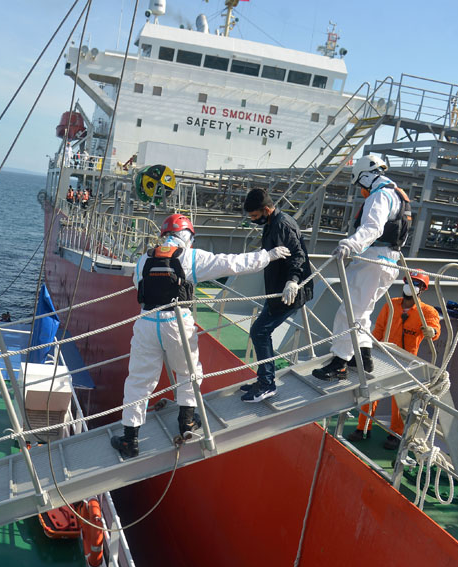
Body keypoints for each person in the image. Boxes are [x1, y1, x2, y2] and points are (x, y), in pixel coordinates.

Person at [111, 214, 291, 458]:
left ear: (165, 234)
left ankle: (130, 439)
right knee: (188, 371)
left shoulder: (145, 258)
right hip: (178, 323)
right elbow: (231, 263)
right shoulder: (191, 256)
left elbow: (138, 285)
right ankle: (186, 421)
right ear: (188, 236)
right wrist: (267, 256)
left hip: (147, 322)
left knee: (139, 380)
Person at [313, 154, 411, 381]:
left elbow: (373, 228)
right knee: (363, 309)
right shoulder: (397, 195)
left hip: (373, 259)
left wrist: (350, 244)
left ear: (365, 176)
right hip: (390, 261)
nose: (362, 190)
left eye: (360, 184)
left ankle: (339, 363)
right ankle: (363, 356)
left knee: (349, 311)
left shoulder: (380, 196)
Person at [346, 270, 441, 448]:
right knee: (371, 392)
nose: (411, 286)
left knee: (399, 400)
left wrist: (432, 331)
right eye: (409, 282)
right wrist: (369, 349)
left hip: (406, 361)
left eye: (416, 283)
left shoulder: (427, 311)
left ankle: (395, 434)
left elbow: (434, 328)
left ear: (422, 289)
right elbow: (379, 329)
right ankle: (363, 428)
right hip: (383, 354)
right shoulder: (391, 304)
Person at [240, 189, 314, 402]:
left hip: (288, 292)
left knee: (260, 331)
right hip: (277, 291)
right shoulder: (272, 223)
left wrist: (293, 280)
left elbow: (297, 254)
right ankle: (264, 378)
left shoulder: (282, 225)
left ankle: (267, 384)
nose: (253, 220)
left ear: (266, 210)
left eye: (255, 216)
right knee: (261, 331)